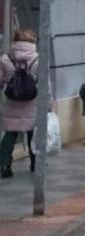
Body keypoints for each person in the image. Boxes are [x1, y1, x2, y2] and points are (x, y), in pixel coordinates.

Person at [0, 30, 39, 179]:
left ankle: (5, 165)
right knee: (32, 133)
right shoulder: (38, 59)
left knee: (10, 133)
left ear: (15, 41)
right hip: (32, 102)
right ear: (32, 42)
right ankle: (35, 163)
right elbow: (45, 84)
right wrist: (48, 103)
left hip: (11, 102)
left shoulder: (5, 59)